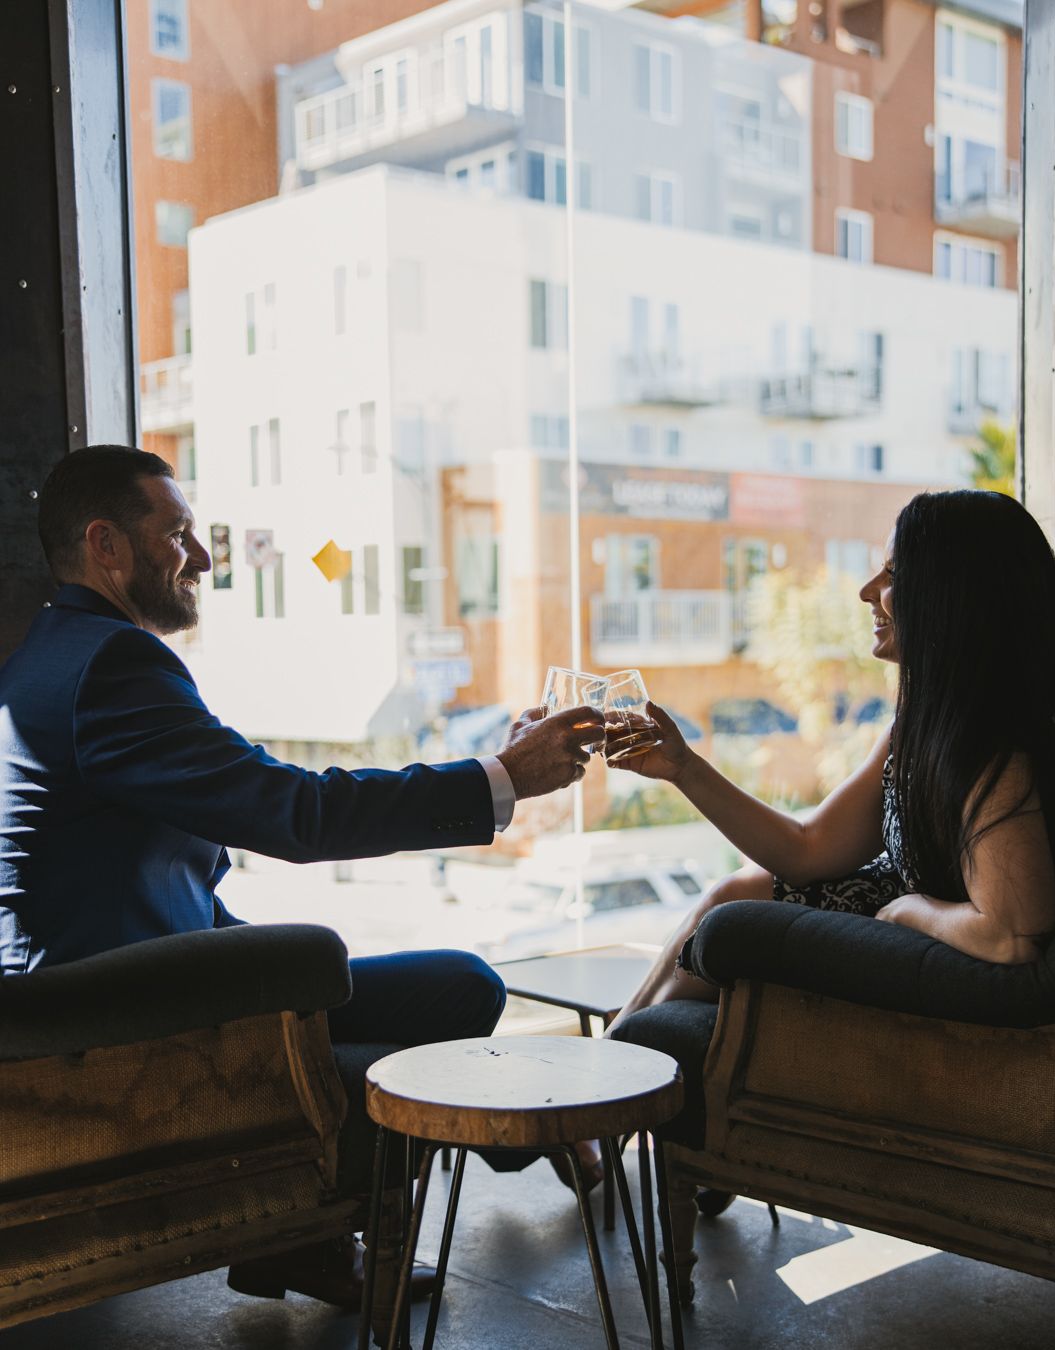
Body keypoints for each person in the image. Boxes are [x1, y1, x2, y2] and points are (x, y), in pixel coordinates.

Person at [0, 444, 604, 1308]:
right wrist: (497, 778)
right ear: (106, 546)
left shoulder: (55, 657)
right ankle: (318, 1231)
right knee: (399, 1037)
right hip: (108, 1027)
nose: (203, 560)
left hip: (141, 984)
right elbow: (296, 812)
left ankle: (401, 1189)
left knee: (462, 987)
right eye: (178, 535)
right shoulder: (112, 669)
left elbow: (159, 882)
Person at [608, 489, 1055, 1036]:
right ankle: (612, 1068)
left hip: (936, 943)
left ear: (950, 594)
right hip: (905, 914)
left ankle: (611, 1082)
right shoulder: (930, 726)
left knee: (729, 913)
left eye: (893, 574)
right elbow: (809, 848)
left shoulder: (996, 745)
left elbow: (1013, 935)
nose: (867, 593)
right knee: (734, 892)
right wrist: (682, 768)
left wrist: (910, 911)